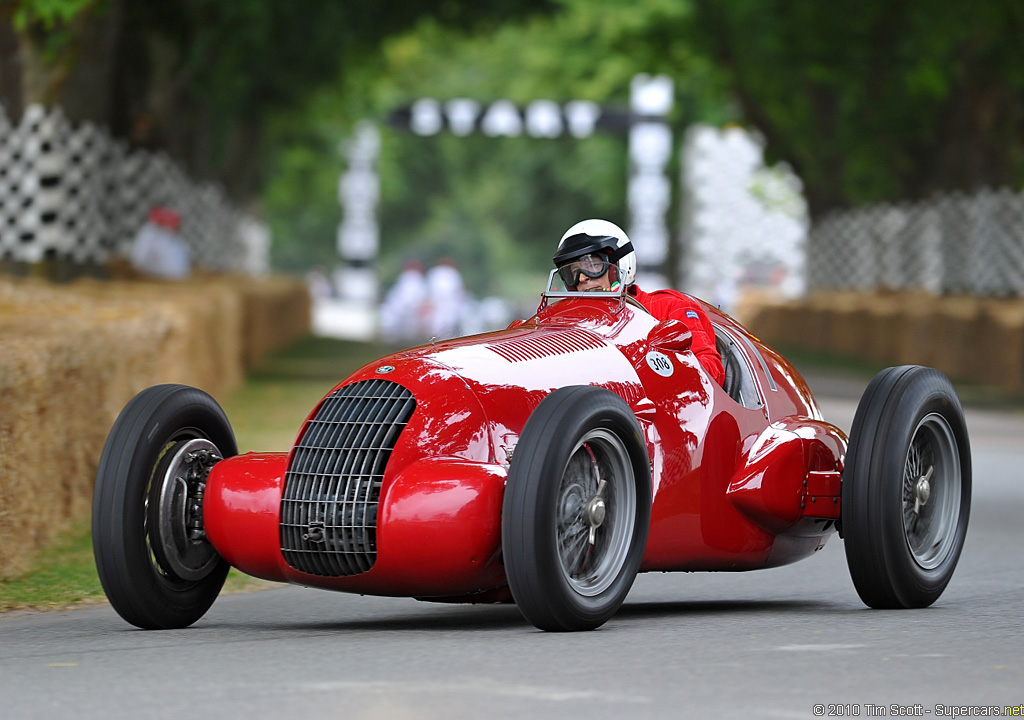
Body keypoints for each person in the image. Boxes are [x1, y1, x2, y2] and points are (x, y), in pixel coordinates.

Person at [553, 219, 725, 386]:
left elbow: (710, 375)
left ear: (619, 264)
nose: (582, 277)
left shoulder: (670, 307)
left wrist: (666, 364)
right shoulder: (565, 322)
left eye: (592, 265)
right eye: (573, 272)